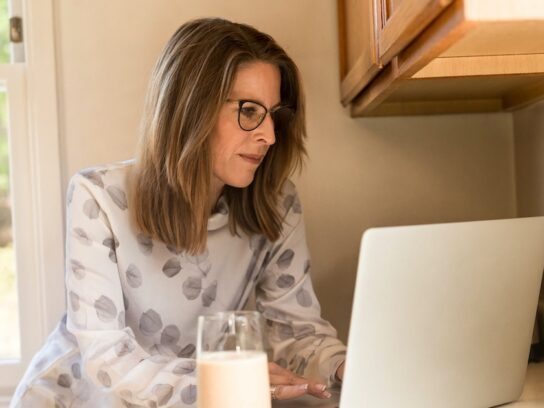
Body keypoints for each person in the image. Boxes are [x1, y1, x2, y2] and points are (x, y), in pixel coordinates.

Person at [10, 17, 346, 407]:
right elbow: (107, 359)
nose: (269, 136)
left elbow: (297, 332)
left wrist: (343, 364)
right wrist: (229, 379)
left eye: (273, 114)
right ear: (190, 109)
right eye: (249, 110)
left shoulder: (276, 203)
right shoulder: (97, 197)